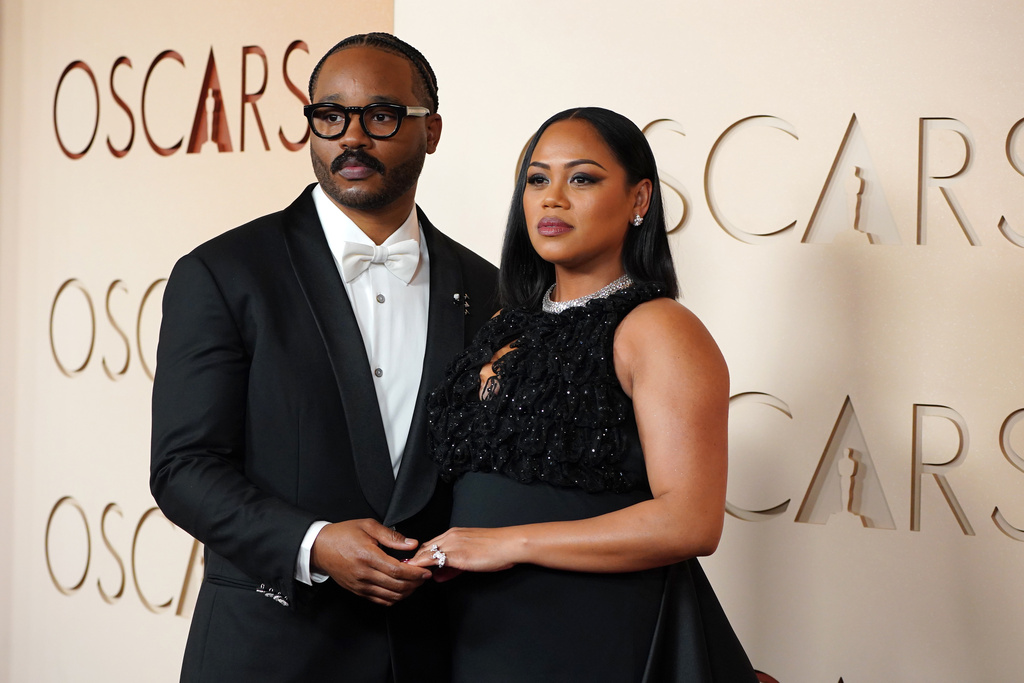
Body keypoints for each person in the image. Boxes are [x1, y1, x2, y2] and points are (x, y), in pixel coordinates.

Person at [150, 33, 497, 683]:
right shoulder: (224, 274)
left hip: (436, 656)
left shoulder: (490, 291)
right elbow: (182, 468)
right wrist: (311, 541)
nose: (352, 138)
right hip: (269, 651)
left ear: (432, 132)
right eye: (330, 115)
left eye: (382, 116)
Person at [410, 107, 758, 682]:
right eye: (537, 179)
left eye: (582, 178)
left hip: (591, 633)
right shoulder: (504, 324)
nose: (552, 199)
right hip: (478, 629)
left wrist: (507, 543)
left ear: (639, 198)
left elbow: (691, 523)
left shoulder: (659, 328)